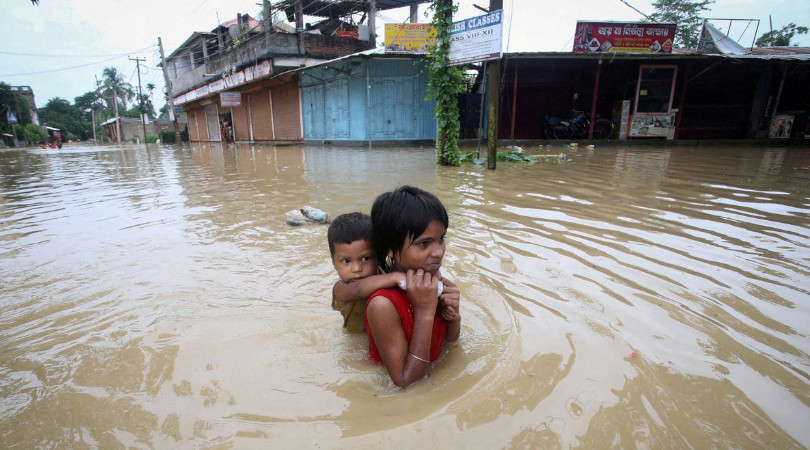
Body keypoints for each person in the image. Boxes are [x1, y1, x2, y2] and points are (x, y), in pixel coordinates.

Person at [366, 186, 461, 388]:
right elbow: (406, 382)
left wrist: (453, 315)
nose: (438, 252)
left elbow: (449, 343)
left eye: (441, 239)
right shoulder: (383, 305)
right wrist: (425, 312)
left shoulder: (432, 278)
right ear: (391, 249)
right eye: (424, 244)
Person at [328, 212, 406, 333]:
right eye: (346, 261)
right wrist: (396, 277)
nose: (356, 268)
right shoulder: (341, 289)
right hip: (356, 340)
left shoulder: (383, 274)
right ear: (333, 262)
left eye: (365, 259)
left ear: (378, 256)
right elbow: (359, 289)